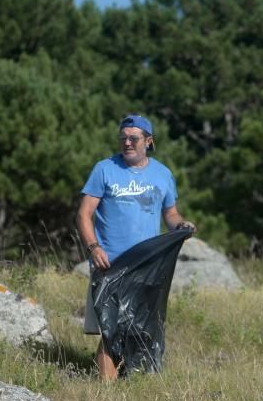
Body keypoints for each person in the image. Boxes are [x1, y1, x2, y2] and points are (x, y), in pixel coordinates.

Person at [76, 114, 195, 380]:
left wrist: (181, 227)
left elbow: (171, 214)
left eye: (133, 138)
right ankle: (105, 395)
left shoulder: (163, 174)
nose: (127, 143)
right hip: (110, 264)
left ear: (148, 141)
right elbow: (84, 214)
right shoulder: (104, 169)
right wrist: (93, 247)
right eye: (123, 138)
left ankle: (130, 386)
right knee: (110, 330)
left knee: (138, 330)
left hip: (148, 268)